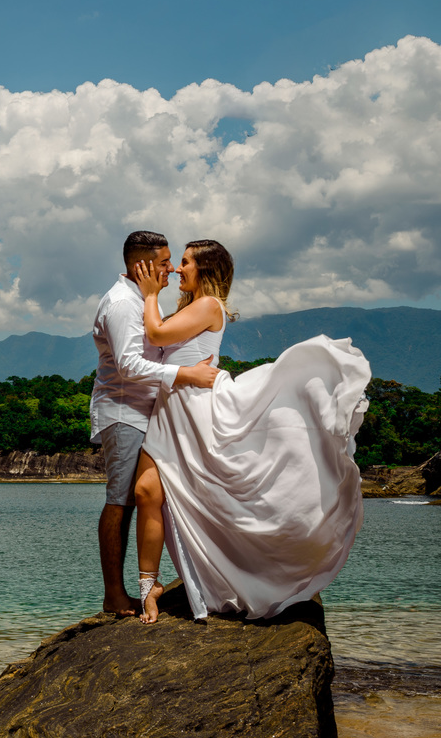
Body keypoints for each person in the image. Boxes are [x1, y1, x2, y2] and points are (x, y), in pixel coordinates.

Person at [132, 240, 369, 623]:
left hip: (195, 411)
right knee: (147, 492)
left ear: (206, 271)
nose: (178, 268)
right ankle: (149, 586)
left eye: (186, 262)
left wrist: (148, 295)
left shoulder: (208, 306)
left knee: (217, 498)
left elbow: (157, 335)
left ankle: (254, 570)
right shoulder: (191, 306)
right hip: (170, 411)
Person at [91, 231, 219, 616]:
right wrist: (185, 375)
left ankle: (163, 580)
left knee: (145, 498)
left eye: (171, 261)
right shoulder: (122, 305)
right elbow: (129, 366)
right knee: (121, 501)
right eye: (163, 262)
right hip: (125, 411)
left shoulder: (139, 302)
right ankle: (115, 595)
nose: (170, 269)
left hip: (149, 412)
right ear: (141, 266)